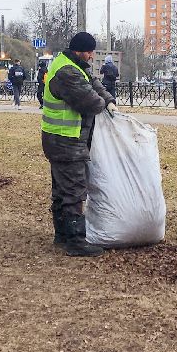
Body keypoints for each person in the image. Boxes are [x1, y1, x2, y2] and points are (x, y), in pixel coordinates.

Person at [41, 31, 115, 257]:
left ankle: (62, 235)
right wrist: (103, 102)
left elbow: (93, 84)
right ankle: (75, 240)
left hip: (60, 138)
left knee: (62, 189)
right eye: (90, 52)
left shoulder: (72, 65)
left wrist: (109, 100)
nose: (92, 56)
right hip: (66, 140)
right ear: (79, 51)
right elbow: (90, 102)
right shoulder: (67, 73)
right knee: (73, 189)